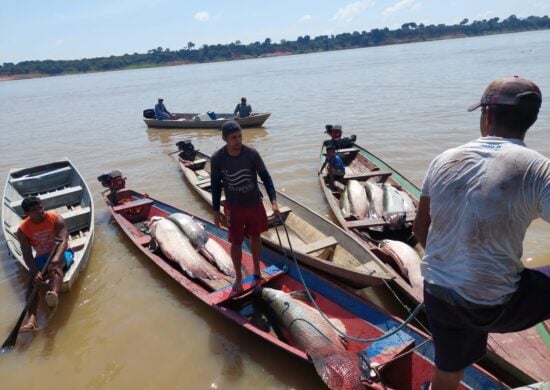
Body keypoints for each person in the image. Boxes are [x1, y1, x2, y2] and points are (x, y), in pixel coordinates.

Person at [413, 76, 550, 390]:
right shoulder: (539, 169)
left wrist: (454, 266)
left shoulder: (442, 160)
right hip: (495, 305)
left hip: (438, 295)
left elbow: (421, 229)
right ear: (531, 119)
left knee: (447, 371)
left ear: (487, 115)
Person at [211, 120, 280, 294]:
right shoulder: (217, 158)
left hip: (254, 203)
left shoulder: (252, 154)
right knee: (236, 242)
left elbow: (266, 177)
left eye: (240, 136)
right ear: (224, 139)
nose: (238, 141)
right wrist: (215, 210)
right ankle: (239, 278)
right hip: (234, 207)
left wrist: (274, 201)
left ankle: (257, 270)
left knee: (256, 237)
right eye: (233, 138)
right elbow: (216, 185)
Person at [17, 196, 73, 331]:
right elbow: (27, 253)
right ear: (27, 214)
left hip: (62, 251)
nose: (40, 211)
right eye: (34, 210)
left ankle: (53, 294)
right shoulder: (23, 229)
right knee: (32, 281)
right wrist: (35, 271)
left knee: (55, 267)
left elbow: (63, 240)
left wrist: (56, 258)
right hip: (41, 256)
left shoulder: (55, 218)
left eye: (41, 207)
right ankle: (32, 319)